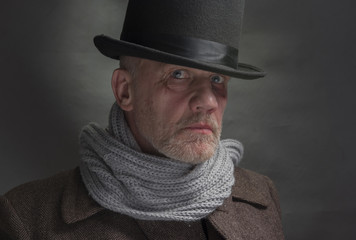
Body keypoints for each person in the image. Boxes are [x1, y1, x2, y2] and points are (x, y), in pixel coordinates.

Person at [0, 0, 284, 239]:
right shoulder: (29, 219)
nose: (208, 102)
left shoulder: (261, 198)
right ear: (125, 90)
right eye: (178, 75)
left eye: (218, 78)